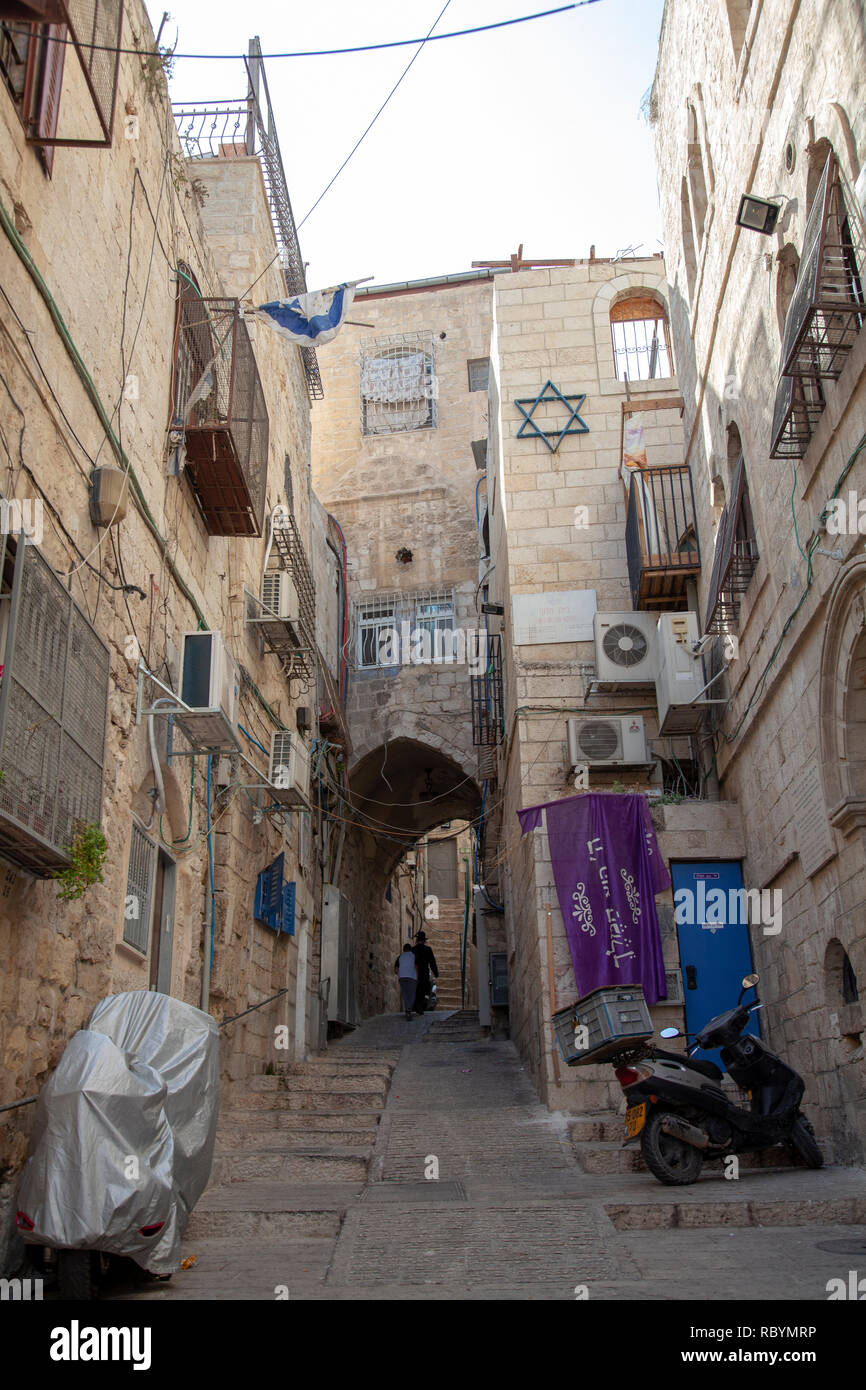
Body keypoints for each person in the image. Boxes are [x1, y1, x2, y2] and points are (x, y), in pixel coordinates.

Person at [412, 931, 438, 1015]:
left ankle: (417, 1005)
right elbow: (432, 962)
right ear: (424, 940)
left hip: (415, 973)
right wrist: (436, 972)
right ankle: (420, 1005)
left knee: (416, 990)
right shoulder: (428, 949)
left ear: (417, 939)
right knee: (424, 989)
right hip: (424, 973)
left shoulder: (413, 950)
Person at [394, 943, 418, 1020]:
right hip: (412, 977)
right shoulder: (414, 956)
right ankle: (408, 1009)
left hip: (402, 977)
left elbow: (396, 969)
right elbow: (417, 967)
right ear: (410, 949)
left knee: (405, 994)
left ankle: (407, 1009)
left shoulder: (400, 957)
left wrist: (400, 974)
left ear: (403, 949)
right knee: (411, 994)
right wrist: (417, 976)